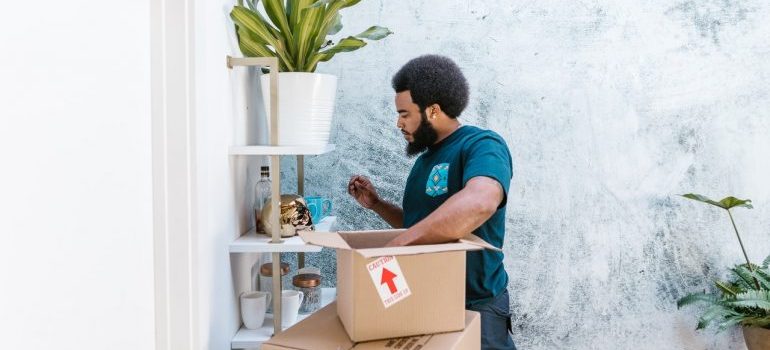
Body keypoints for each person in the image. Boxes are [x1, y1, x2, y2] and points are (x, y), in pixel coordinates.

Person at [347, 55, 516, 350]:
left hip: (477, 307)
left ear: (433, 110)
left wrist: (395, 248)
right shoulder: (423, 162)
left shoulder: (482, 144)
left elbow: (481, 201)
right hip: (426, 304)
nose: (398, 123)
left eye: (404, 113)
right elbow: (421, 227)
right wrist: (377, 204)